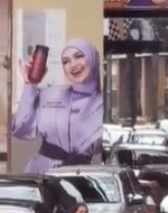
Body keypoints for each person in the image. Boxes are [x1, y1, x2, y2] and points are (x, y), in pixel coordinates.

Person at [11, 39, 103, 172]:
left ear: (93, 59)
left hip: (79, 177)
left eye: (79, 56)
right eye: (66, 61)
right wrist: (30, 85)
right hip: (40, 175)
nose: (73, 65)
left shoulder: (105, 104)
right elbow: (21, 130)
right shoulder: (50, 95)